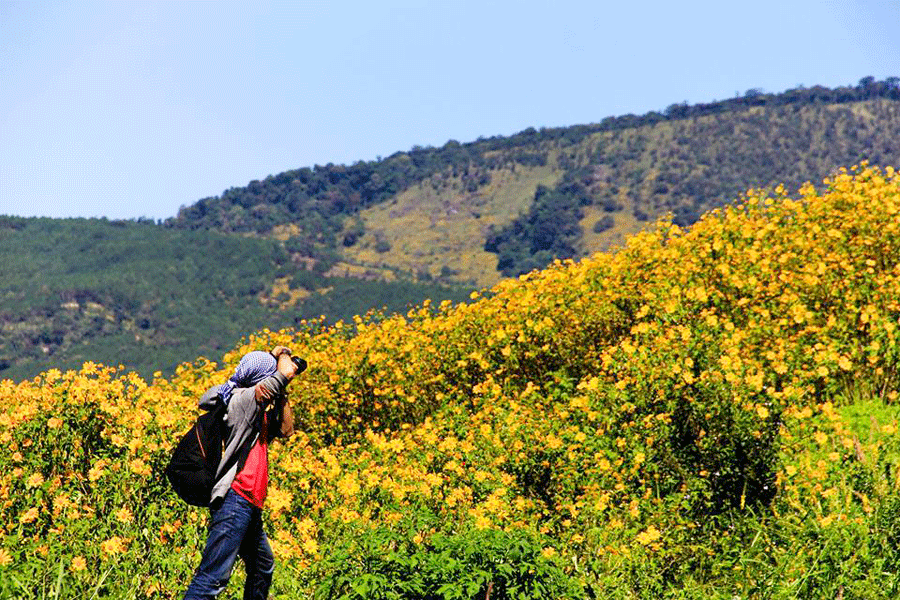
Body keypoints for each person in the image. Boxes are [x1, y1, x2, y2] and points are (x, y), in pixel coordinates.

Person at [183, 346, 302, 600]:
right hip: (235, 500)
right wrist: (282, 356)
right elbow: (282, 376)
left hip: (248, 504)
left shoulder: (256, 412)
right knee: (212, 578)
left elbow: (287, 430)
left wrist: (282, 395)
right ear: (261, 379)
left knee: (262, 567)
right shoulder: (244, 400)